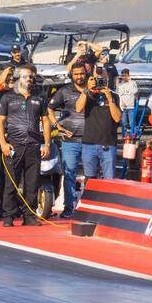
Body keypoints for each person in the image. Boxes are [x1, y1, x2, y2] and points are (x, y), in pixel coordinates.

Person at [0, 65, 50, 227]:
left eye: (31, 77)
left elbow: (45, 121)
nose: (29, 79)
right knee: (11, 182)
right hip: (14, 146)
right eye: (26, 77)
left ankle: (29, 215)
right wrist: (3, 143)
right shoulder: (7, 98)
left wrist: (46, 143)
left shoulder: (39, 98)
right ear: (19, 78)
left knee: (32, 183)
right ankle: (8, 216)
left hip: (33, 146)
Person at [48, 63, 89, 218]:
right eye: (76, 74)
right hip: (70, 141)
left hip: (91, 140)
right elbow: (49, 108)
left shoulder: (93, 89)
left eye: (81, 73)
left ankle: (89, 208)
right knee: (69, 174)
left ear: (87, 73)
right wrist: (57, 126)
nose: (79, 76)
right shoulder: (64, 91)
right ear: (71, 75)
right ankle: (69, 208)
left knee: (91, 176)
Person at [78, 66, 122, 181]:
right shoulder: (88, 95)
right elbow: (78, 108)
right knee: (89, 179)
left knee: (109, 179)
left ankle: (108, 198)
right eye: (97, 78)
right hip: (89, 143)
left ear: (107, 79)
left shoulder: (114, 96)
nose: (100, 81)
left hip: (108, 143)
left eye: (103, 78)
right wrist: (87, 89)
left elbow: (117, 118)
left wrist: (109, 98)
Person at [116, 68, 139, 139]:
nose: (124, 77)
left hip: (131, 106)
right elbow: (119, 95)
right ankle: (124, 136)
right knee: (124, 123)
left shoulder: (133, 83)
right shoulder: (120, 85)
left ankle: (133, 135)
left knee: (132, 122)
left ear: (129, 75)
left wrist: (130, 81)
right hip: (123, 107)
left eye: (126, 75)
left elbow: (135, 91)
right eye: (123, 76)